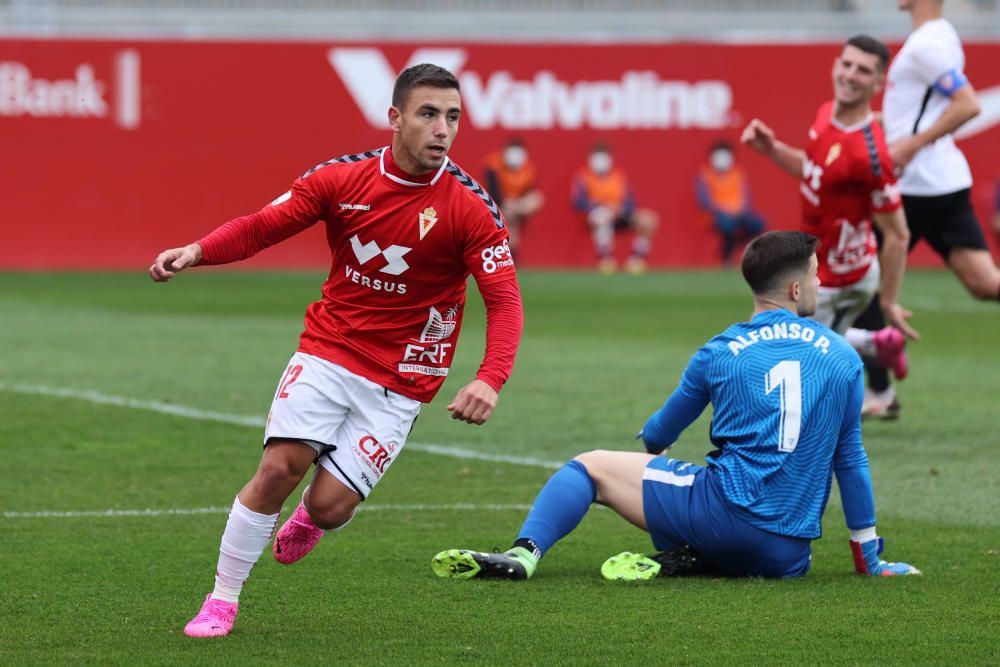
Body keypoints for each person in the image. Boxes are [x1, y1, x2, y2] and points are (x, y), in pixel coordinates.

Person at [149, 64, 523, 637]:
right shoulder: (341, 180)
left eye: (452, 117)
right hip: (331, 349)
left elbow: (505, 301)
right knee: (277, 469)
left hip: (405, 375)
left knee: (329, 506)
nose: (442, 129)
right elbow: (261, 227)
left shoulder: (471, 207)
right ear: (394, 117)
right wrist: (198, 250)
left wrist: (490, 378)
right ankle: (222, 599)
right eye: (428, 114)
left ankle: (315, 518)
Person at [431, 231, 920, 581]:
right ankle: (691, 558)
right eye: (815, 277)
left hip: (721, 517)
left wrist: (654, 448)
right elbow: (850, 461)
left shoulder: (720, 351)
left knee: (589, 468)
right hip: (787, 557)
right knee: (719, 506)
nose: (818, 285)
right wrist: (868, 561)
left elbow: (660, 431)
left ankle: (525, 553)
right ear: (795, 290)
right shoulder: (842, 357)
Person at [741, 35, 917, 399]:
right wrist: (772, 149)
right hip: (814, 264)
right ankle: (878, 344)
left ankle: (828, 439)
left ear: (878, 82)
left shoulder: (870, 157)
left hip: (839, 278)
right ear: (835, 65)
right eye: (847, 64)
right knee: (789, 341)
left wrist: (888, 303)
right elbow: (814, 172)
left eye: (864, 70)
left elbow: (898, 234)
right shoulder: (826, 114)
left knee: (796, 358)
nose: (851, 75)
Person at [883, 0, 999, 306]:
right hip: (945, 180)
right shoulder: (943, 34)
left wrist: (910, 145)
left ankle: (871, 353)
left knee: (864, 282)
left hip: (914, 184)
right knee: (985, 282)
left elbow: (967, 104)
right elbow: (923, 111)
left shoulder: (925, 46)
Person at [571, 142, 659, 274]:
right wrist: (602, 206)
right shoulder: (583, 176)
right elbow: (578, 202)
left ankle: (636, 261)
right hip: (595, 216)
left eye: (604, 157)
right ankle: (606, 260)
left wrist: (620, 210)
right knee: (602, 217)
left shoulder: (619, 176)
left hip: (619, 214)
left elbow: (631, 203)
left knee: (648, 220)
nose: (601, 162)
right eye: (597, 157)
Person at [696, 140, 767, 264]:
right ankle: (727, 255)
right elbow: (704, 202)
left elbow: (746, 200)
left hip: (739, 214)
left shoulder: (738, 174)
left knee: (758, 224)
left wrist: (740, 211)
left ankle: (731, 247)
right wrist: (724, 210)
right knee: (727, 225)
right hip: (716, 216)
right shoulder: (705, 175)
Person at [483, 137, 544, 261]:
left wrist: (516, 205)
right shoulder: (493, 164)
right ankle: (509, 255)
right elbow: (492, 191)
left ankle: (510, 255)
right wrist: (506, 204)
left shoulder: (527, 169)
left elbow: (531, 193)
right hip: (496, 204)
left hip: (517, 205)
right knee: (509, 218)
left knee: (536, 199)